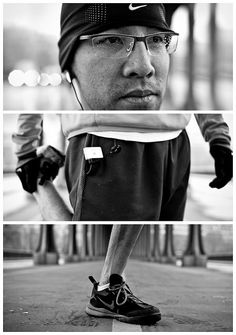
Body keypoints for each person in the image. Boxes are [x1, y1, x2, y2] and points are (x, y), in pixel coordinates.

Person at [12, 3, 233, 325]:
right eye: (112, 40)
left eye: (158, 40)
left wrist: (219, 139)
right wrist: (25, 153)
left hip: (174, 145)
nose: (144, 67)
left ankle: (108, 286)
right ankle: (107, 288)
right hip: (108, 141)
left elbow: (203, 109)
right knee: (86, 224)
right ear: (69, 63)